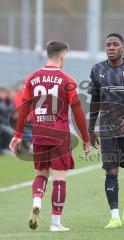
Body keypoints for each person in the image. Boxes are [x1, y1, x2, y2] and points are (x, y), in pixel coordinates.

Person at [9, 40, 91, 232]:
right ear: (62, 56)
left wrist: (18, 135)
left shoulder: (32, 78)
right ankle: (55, 223)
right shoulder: (68, 80)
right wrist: (86, 139)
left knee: (41, 174)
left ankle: (37, 199)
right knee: (60, 178)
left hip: (38, 133)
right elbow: (77, 113)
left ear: (48, 54)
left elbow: (23, 111)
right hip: (59, 135)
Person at [88, 33, 124, 228]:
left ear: (123, 48)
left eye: (115, 44)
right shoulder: (97, 70)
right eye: (108, 45)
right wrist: (91, 128)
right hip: (107, 130)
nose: (111, 47)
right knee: (110, 171)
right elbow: (95, 101)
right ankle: (114, 216)